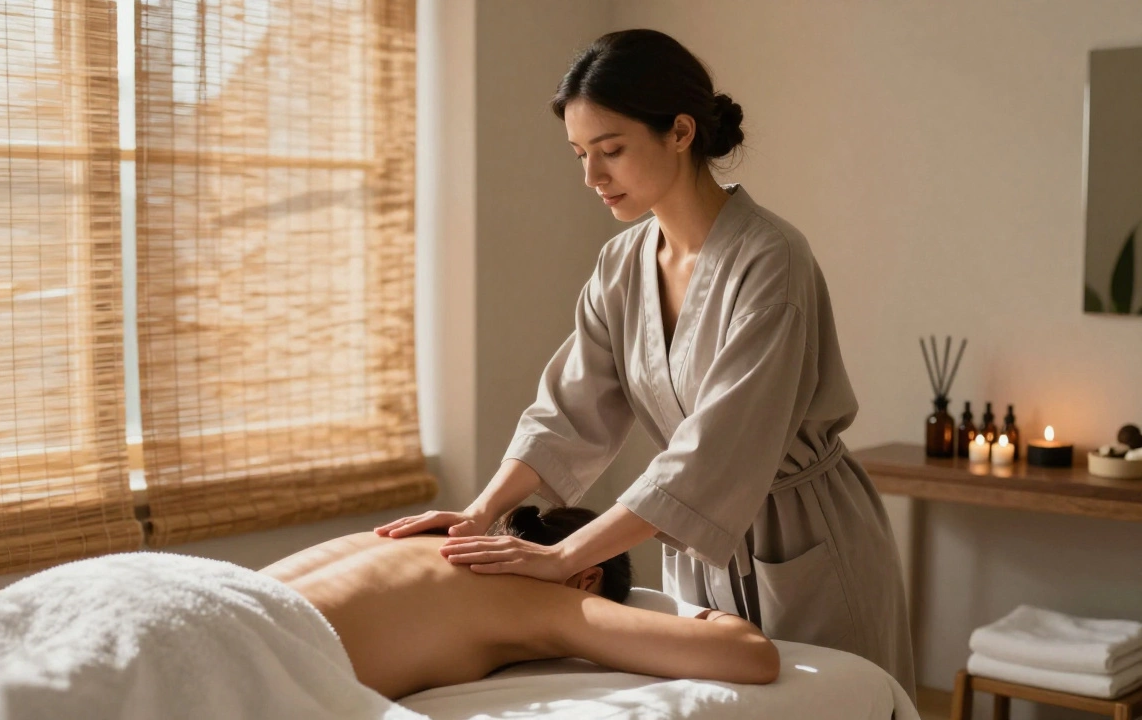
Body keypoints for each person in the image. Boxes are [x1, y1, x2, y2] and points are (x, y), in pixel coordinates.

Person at [376, 28, 916, 701]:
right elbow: (568, 412)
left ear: (681, 132)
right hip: (695, 545)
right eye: (579, 154)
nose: (591, 178)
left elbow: (710, 454)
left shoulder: (771, 263)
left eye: (611, 151)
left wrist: (565, 558)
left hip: (806, 541)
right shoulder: (621, 265)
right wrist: (479, 513)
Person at [261, 505, 779, 699]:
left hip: (202, 587)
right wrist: (706, 613)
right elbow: (753, 658)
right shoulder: (536, 595)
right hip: (243, 652)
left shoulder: (419, 535)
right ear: (587, 580)